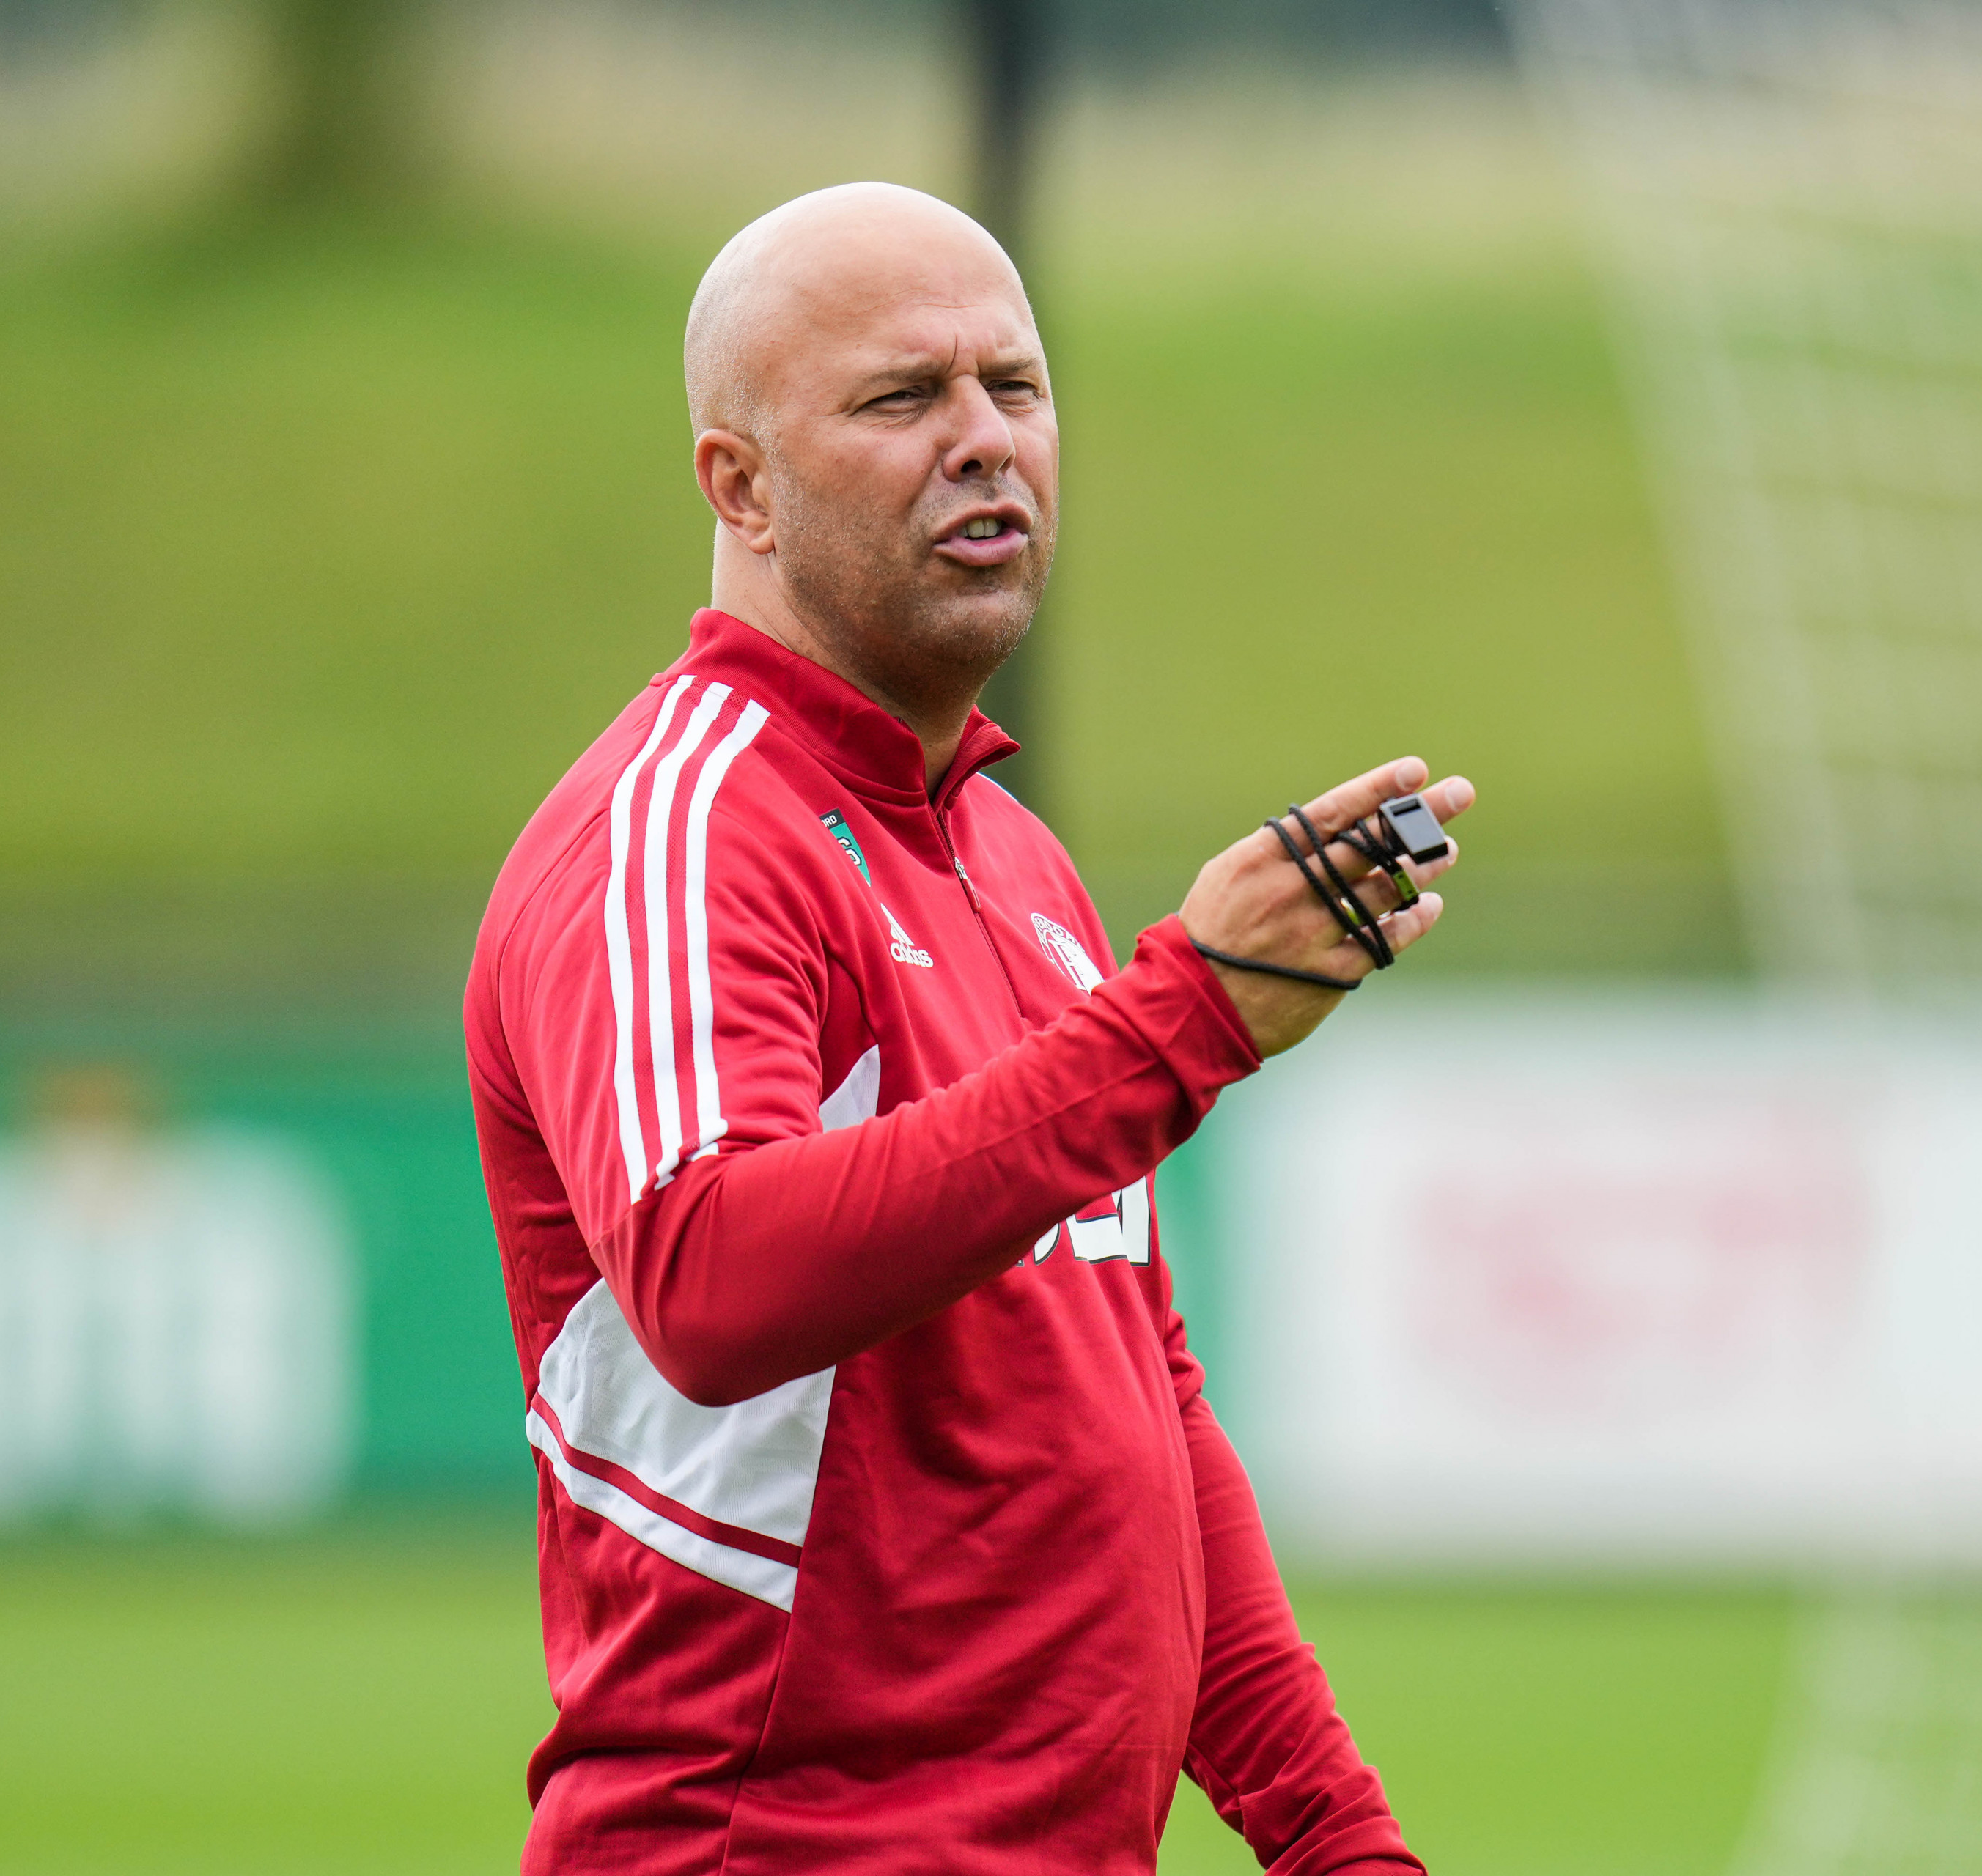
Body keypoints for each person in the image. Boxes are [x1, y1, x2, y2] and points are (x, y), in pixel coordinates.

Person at [464, 180, 1473, 1875]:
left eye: (1015, 385)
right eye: (901, 397)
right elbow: (711, 1280)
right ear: (741, 485)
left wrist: (1340, 1841)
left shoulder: (1017, 860)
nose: (985, 439)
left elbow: (1142, 1403)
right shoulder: (685, 821)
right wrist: (1180, 1024)